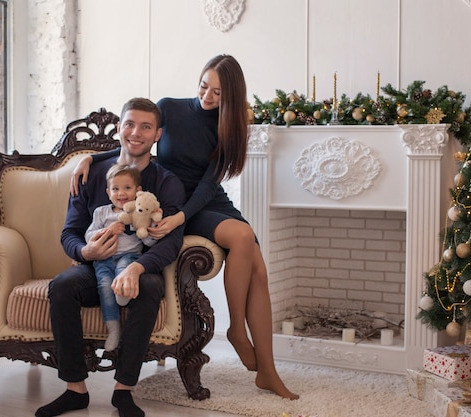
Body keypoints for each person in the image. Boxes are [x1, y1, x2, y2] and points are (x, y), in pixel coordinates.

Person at [70, 55, 298, 400]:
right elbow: (136, 144)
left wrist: (182, 217)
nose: (207, 97)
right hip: (173, 197)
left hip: (205, 203)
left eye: (218, 93)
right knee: (242, 236)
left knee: (259, 272)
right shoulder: (171, 109)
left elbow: (209, 185)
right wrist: (92, 157)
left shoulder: (232, 126)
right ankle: (237, 328)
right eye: (204, 86)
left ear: (232, 97)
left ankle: (267, 372)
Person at [36, 97, 186, 417]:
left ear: (157, 134)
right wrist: (84, 251)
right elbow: (70, 232)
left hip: (140, 267)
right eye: (129, 124)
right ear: (119, 128)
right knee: (62, 285)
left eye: (146, 127)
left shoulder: (168, 182)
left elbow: (170, 243)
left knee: (148, 287)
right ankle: (75, 389)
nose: (136, 132)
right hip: (95, 265)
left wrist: (137, 266)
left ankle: (123, 391)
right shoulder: (91, 174)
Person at [85, 164, 157, 352]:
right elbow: (88, 236)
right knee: (104, 288)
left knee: (123, 272)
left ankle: (122, 291)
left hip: (129, 256)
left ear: (138, 191)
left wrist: (148, 229)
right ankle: (114, 329)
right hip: (103, 260)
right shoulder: (101, 212)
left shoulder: (138, 213)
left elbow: (149, 242)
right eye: (115, 189)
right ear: (108, 192)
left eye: (127, 188)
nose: (121, 193)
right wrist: (107, 230)